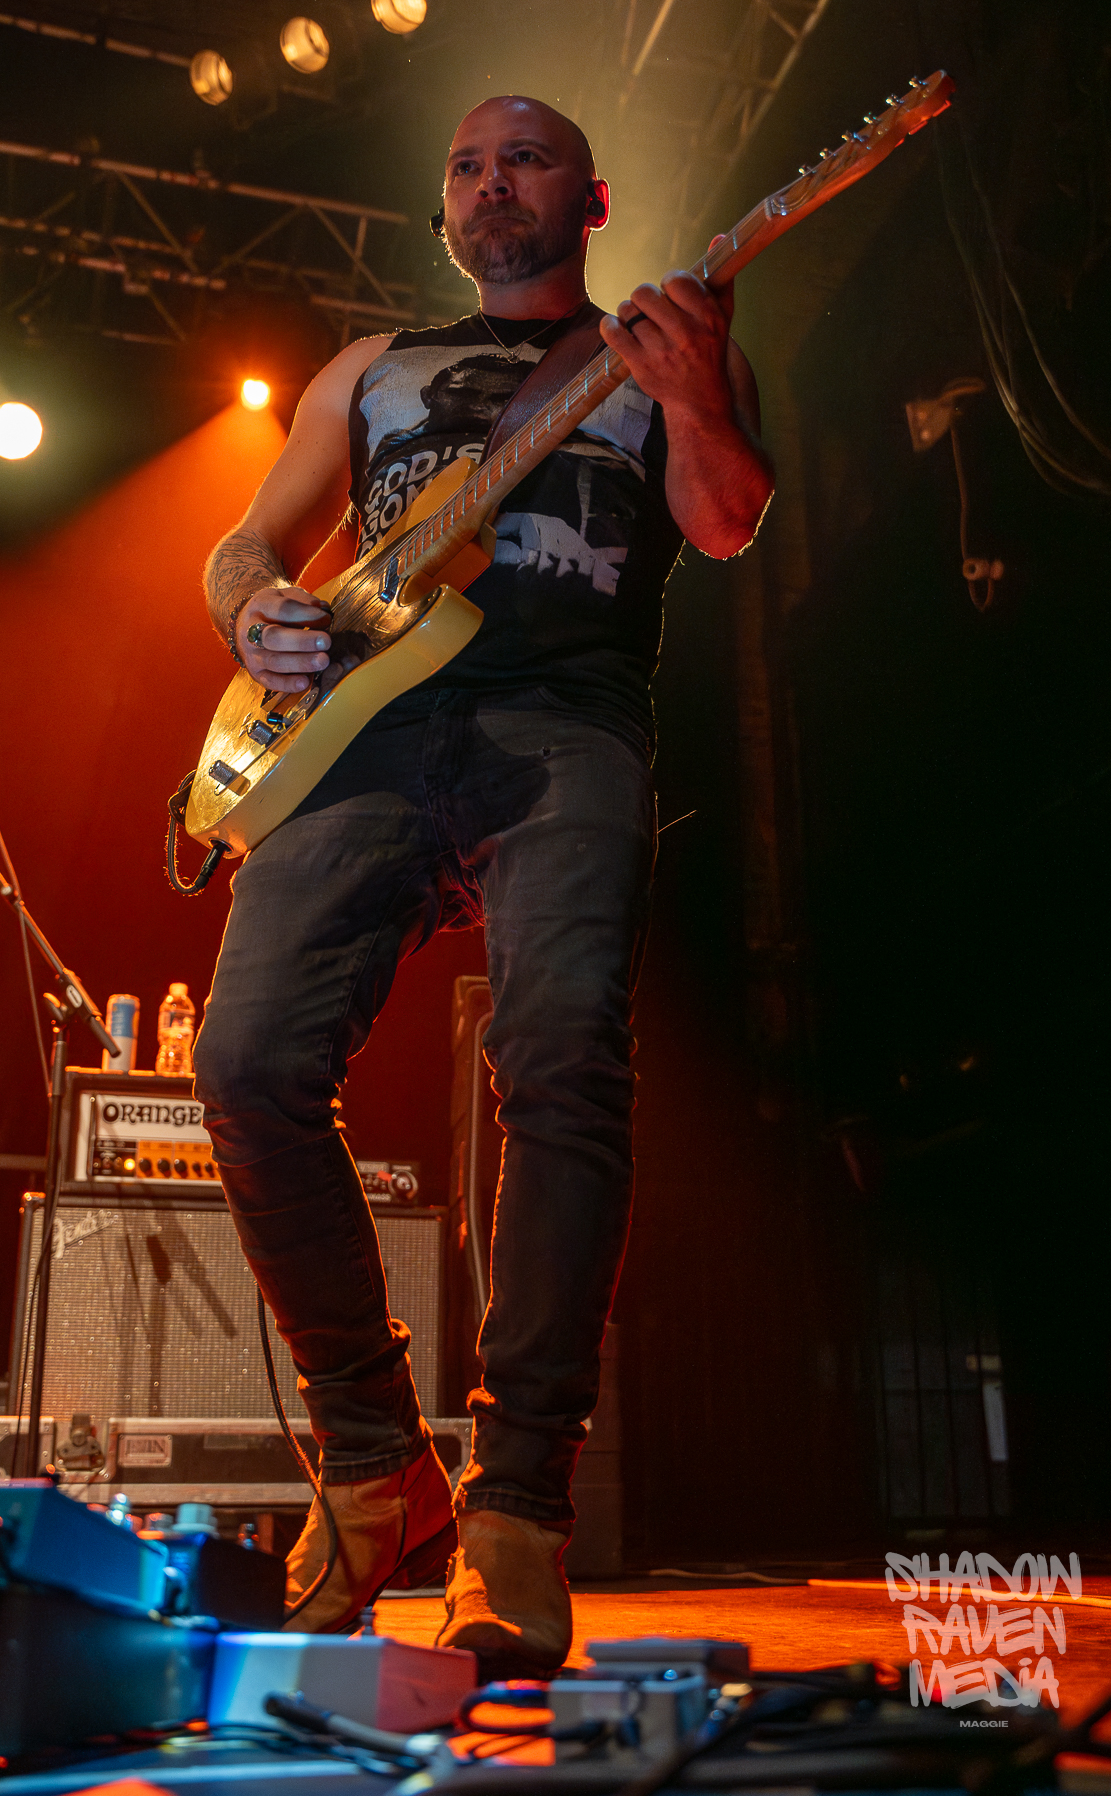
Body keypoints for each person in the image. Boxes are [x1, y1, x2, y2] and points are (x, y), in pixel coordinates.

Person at [194, 94, 774, 1676]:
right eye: (463, 161)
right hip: (361, 734)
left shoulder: (657, 346)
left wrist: (693, 392)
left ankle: (516, 1503)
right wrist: (255, 616)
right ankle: (379, 1467)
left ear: (589, 199)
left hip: (561, 716)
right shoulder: (369, 364)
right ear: (443, 206)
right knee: (239, 1064)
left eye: (522, 157)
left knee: (562, 1058)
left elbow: (724, 522)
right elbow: (246, 546)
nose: (489, 179)